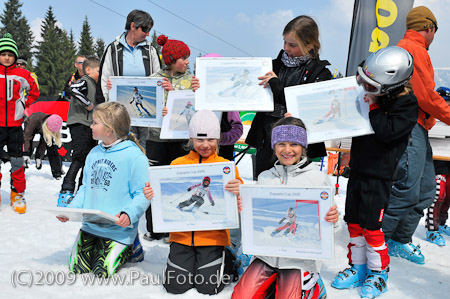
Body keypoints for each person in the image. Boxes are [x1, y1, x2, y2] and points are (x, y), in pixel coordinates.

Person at [331, 47, 418, 299]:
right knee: (354, 223)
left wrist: (373, 107)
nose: (365, 90)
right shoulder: (376, 87)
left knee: (371, 227)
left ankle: (379, 273)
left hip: (379, 177)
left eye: (371, 86)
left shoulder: (407, 105)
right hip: (358, 169)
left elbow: (388, 132)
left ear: (390, 87)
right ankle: (357, 267)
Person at [232, 116, 339, 299]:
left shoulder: (317, 179)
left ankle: (314, 286)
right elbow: (255, 221)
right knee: (241, 297)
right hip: (266, 255)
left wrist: (333, 220)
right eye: (281, 144)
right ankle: (274, 282)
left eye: (294, 144)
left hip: (299, 260)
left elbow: (332, 228)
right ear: (274, 146)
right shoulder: (265, 177)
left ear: (303, 147)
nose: (287, 150)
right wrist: (244, 208)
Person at [144, 110, 243, 295]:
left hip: (212, 238)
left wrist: (239, 191)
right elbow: (166, 194)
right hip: (181, 237)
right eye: (199, 139)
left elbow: (238, 200)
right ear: (191, 138)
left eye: (211, 139)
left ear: (218, 139)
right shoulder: (177, 164)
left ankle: (227, 258)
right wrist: (153, 193)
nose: (205, 145)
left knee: (208, 287)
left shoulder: (226, 168)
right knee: (176, 286)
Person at [382, 6, 450, 265]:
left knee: (425, 189)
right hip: (410, 125)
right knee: (407, 190)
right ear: (429, 28)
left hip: (419, 126)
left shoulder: (408, 47)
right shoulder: (415, 49)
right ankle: (379, 241)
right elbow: (426, 96)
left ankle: (400, 239)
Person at [57, 102, 150, 278]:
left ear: (109, 129)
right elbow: (85, 188)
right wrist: (71, 211)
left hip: (118, 229)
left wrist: (129, 214)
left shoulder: (135, 156)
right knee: (77, 268)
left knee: (102, 271)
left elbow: (142, 194)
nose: (90, 126)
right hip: (90, 226)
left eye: (94, 123)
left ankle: (132, 246)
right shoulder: (93, 153)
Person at [246, 15, 332, 178]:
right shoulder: (271, 66)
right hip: (267, 142)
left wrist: (277, 85)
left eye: (292, 45)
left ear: (310, 44)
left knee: (295, 191)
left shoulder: (320, 73)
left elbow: (308, 107)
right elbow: (243, 89)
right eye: (284, 42)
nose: (286, 48)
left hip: (297, 147)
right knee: (264, 187)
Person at [143, 34, 200, 242]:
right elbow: (143, 105)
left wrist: (194, 91)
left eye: (187, 58)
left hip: (181, 140)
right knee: (155, 183)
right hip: (157, 139)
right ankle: (155, 228)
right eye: (183, 58)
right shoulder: (154, 78)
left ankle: (177, 228)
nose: (187, 62)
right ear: (170, 60)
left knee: (179, 183)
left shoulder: (190, 80)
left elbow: (192, 105)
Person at [96, 9, 161, 153]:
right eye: (145, 29)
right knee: (122, 144)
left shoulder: (150, 51)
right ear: (133, 26)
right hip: (120, 111)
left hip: (145, 113)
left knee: (143, 145)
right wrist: (107, 105)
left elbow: (158, 77)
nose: (148, 33)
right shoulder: (113, 49)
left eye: (150, 29)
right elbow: (105, 78)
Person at [0, 33, 39, 213]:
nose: (7, 57)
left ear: (15, 57)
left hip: (15, 126)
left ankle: (17, 194)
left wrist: (23, 105)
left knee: (17, 161)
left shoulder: (23, 74)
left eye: (10, 54)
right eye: (3, 54)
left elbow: (34, 92)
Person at [57, 56, 100, 207]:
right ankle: (66, 190)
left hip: (89, 125)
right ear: (88, 70)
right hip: (79, 123)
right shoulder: (85, 81)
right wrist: (88, 104)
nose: (100, 74)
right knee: (79, 157)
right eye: (98, 71)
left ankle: (83, 190)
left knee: (89, 158)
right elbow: (72, 89)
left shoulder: (95, 84)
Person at [201, 53, 243, 161]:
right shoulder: (194, 94)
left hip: (222, 156)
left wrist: (222, 138)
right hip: (196, 156)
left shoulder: (228, 98)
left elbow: (237, 129)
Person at [425, 87, 450, 246]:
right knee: (438, 195)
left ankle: (441, 222)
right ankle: (432, 229)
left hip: (449, 162)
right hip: (437, 163)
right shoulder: (432, 117)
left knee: (448, 196)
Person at [23, 113, 64, 179]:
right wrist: (25, 153)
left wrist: (38, 156)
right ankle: (19, 171)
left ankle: (57, 172)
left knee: (52, 148)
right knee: (28, 145)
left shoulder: (53, 125)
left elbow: (43, 143)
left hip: (45, 125)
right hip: (31, 123)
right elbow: (27, 137)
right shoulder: (33, 121)